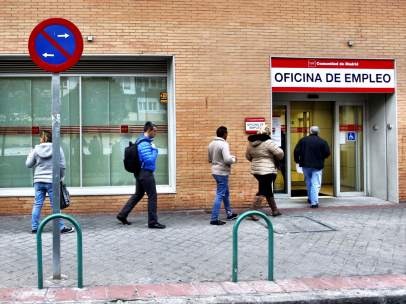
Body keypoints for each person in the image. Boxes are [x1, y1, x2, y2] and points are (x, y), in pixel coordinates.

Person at [117, 121, 166, 229]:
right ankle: (152, 222)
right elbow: (149, 160)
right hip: (146, 173)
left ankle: (122, 215)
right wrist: (155, 150)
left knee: (138, 194)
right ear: (149, 130)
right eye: (155, 131)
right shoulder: (144, 143)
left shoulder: (140, 140)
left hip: (139, 172)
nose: (156, 133)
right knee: (152, 196)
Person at [25, 130, 74, 234]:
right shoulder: (57, 149)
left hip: (38, 181)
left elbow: (28, 164)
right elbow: (62, 166)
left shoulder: (35, 149)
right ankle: (60, 227)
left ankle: (35, 227)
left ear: (42, 138)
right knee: (55, 205)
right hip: (52, 181)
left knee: (37, 204)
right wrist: (60, 178)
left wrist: (30, 154)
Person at [246, 125, 284, 220]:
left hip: (257, 171)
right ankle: (252, 211)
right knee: (263, 191)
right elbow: (280, 153)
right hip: (268, 170)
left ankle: (275, 210)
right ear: (267, 134)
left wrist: (256, 161)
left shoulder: (251, 144)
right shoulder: (268, 142)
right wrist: (276, 158)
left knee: (267, 190)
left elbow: (248, 156)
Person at [294, 125, 331, 208]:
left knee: (308, 182)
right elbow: (327, 153)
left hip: (305, 165)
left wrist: (297, 160)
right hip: (317, 165)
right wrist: (321, 158)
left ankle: (310, 198)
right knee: (315, 183)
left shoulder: (303, 140)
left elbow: (296, 151)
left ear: (310, 131)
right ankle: (314, 202)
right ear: (318, 132)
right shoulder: (322, 141)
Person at [208, 126, 238, 225]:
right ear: (225, 134)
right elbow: (227, 159)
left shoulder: (211, 144)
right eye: (227, 133)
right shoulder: (224, 144)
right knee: (220, 194)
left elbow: (209, 159)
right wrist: (234, 159)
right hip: (222, 172)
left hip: (215, 171)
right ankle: (214, 218)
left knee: (225, 192)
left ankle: (229, 213)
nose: (227, 135)